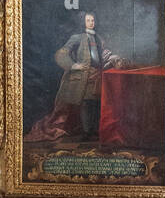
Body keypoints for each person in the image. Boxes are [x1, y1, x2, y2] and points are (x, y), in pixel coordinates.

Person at [26, 12, 123, 142]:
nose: (91, 23)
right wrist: (73, 65)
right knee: (86, 103)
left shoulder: (98, 38)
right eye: (88, 20)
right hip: (83, 76)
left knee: (96, 103)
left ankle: (94, 130)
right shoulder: (77, 38)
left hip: (97, 75)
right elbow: (61, 54)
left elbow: (103, 54)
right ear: (83, 22)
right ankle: (87, 132)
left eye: (93, 20)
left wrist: (113, 58)